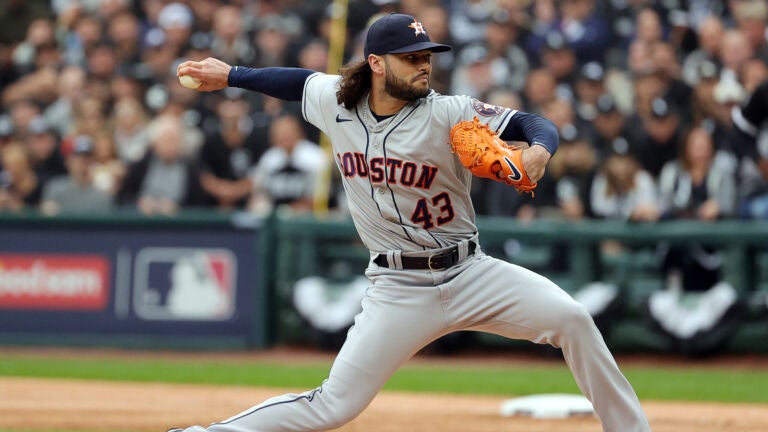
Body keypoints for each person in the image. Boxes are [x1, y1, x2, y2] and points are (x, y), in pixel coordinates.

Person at [173, 13, 651, 432]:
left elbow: (534, 125)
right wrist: (232, 74)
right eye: (410, 56)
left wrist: (539, 153)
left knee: (571, 319)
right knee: (334, 405)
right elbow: (294, 80)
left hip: (470, 272)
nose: (424, 64)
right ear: (377, 63)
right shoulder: (335, 104)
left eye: (427, 55)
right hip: (397, 287)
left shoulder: (450, 112)